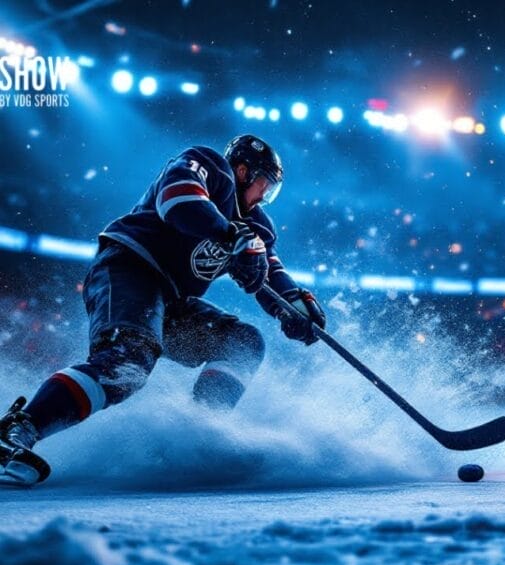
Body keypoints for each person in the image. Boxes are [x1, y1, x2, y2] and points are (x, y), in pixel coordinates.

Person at [0, 135, 326, 486]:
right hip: (129, 268)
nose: (263, 196)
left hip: (172, 300)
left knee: (243, 341)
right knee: (127, 361)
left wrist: (293, 305)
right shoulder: (207, 165)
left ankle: (198, 434)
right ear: (243, 170)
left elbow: (269, 272)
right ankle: (18, 431)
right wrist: (231, 236)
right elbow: (179, 201)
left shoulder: (257, 227)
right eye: (263, 184)